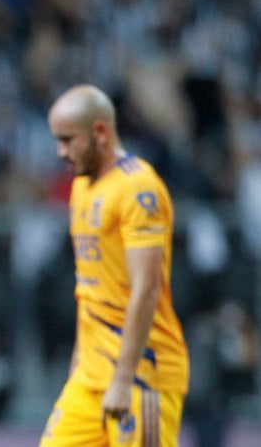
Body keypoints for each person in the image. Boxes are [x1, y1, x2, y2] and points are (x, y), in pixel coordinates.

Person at [41, 84, 189, 446]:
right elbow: (90, 284)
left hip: (142, 373)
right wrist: (79, 362)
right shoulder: (81, 187)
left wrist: (123, 379)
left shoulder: (139, 190)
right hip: (90, 375)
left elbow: (146, 287)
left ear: (101, 133)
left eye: (67, 140)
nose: (60, 152)